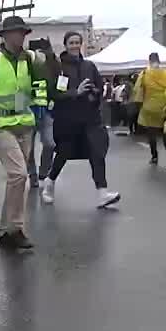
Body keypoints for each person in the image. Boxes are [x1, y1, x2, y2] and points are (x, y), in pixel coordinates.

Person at [0, 15, 58, 251]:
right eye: (15, 33)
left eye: (23, 33)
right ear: (4, 36)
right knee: (19, 175)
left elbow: (49, 80)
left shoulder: (31, 60)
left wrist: (50, 56)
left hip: (25, 124)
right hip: (0, 124)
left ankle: (6, 233)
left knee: (16, 180)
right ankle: (16, 229)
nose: (19, 37)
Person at [40, 30, 120, 209]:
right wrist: (76, 92)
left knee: (96, 152)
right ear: (66, 45)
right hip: (68, 120)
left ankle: (102, 193)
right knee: (63, 154)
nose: (75, 46)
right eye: (71, 43)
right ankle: (49, 182)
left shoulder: (90, 66)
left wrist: (94, 92)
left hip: (90, 119)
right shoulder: (60, 68)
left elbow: (100, 87)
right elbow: (55, 94)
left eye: (77, 42)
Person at [133, 53, 166, 164]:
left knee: (151, 133)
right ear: (159, 60)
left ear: (149, 61)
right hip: (164, 106)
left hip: (149, 107)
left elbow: (137, 89)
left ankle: (154, 156)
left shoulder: (145, 73)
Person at [27, 64, 56, 189]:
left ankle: (44, 173)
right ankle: (32, 174)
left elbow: (55, 90)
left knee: (50, 143)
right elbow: (18, 90)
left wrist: (54, 102)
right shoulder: (23, 72)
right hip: (27, 113)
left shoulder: (49, 71)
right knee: (28, 148)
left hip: (46, 113)